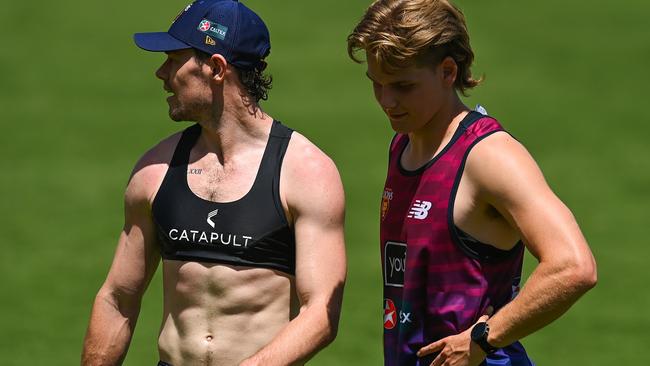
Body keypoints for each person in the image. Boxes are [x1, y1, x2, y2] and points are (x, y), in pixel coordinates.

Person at [81, 1, 346, 365]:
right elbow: (117, 299)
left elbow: (321, 314)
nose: (161, 72)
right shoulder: (155, 171)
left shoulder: (305, 172)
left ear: (217, 68)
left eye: (174, 59)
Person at [347, 1, 597, 365]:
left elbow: (574, 266)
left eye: (403, 86)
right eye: (377, 84)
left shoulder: (488, 156)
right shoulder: (402, 145)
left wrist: (483, 339)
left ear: (448, 71)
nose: (386, 101)